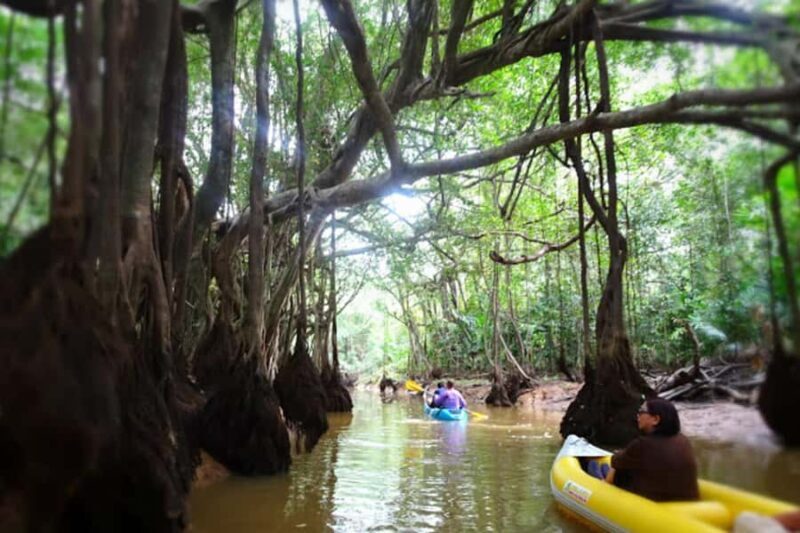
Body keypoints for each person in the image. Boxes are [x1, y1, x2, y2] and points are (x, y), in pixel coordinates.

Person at [603, 398, 699, 502]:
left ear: (655, 419)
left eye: (642, 411)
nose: (638, 415)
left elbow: (616, 462)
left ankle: (600, 479)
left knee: (611, 467)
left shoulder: (641, 444)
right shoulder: (683, 440)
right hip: (683, 502)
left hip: (654, 503)